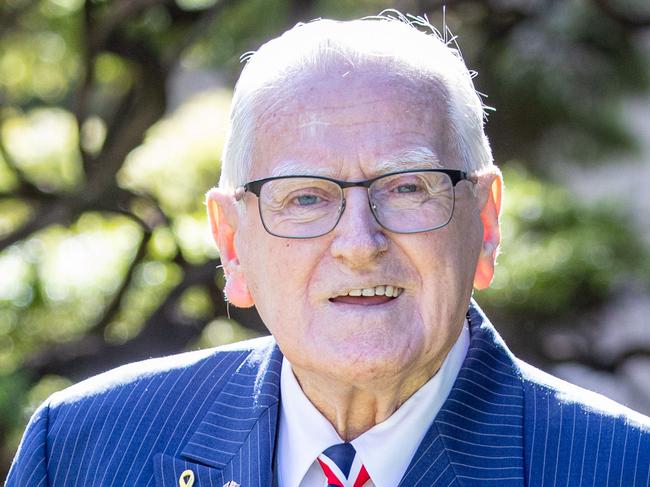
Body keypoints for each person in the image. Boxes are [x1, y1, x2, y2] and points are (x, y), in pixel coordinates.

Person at [6, 13, 650, 487]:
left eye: (405, 187)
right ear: (231, 243)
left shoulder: (621, 468)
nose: (360, 244)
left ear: (484, 222)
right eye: (305, 198)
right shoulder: (82, 452)